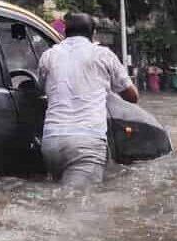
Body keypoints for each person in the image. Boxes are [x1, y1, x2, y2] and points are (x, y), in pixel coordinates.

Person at [38, 13, 139, 187]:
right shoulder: (102, 55)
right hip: (86, 144)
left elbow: (41, 89)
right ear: (93, 34)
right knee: (78, 204)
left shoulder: (48, 56)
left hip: (51, 142)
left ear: (65, 33)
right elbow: (132, 96)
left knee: (59, 199)